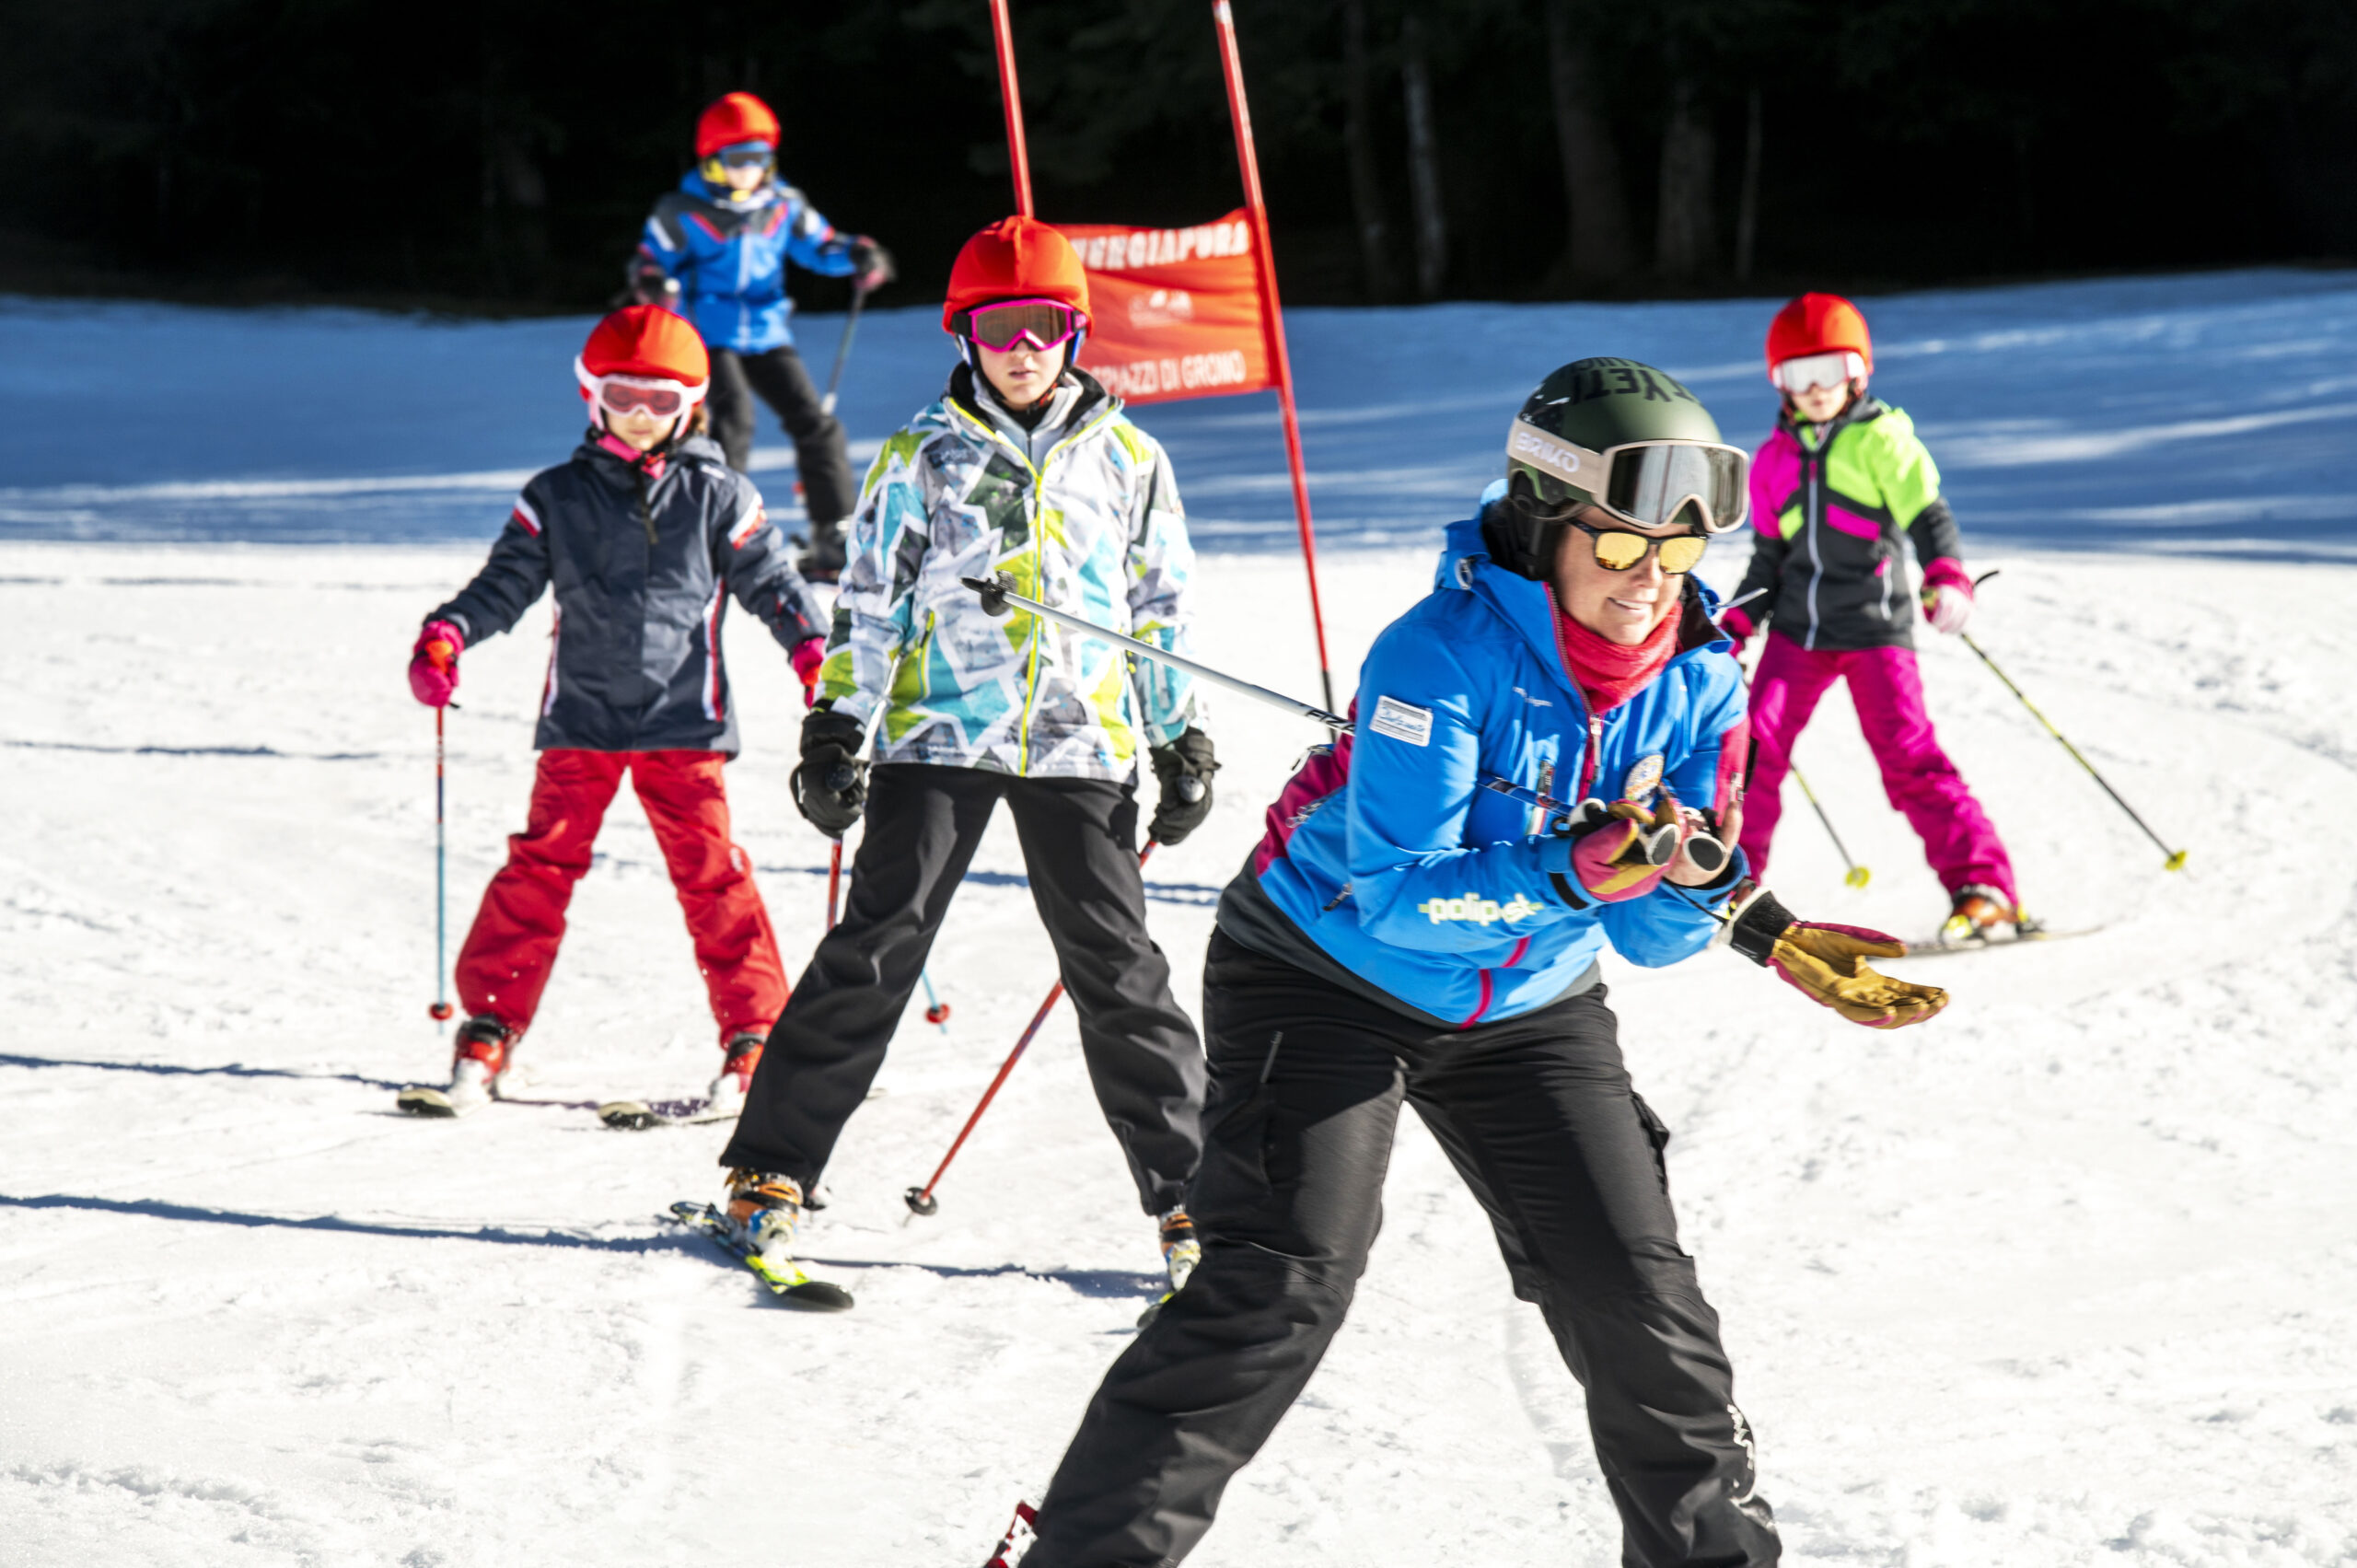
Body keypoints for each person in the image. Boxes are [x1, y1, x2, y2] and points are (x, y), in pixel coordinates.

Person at [996, 359, 1946, 1568]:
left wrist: (1708, 883)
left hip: (1532, 1002)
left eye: (1678, 552)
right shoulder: (1437, 656)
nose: (1648, 583)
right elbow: (1393, 899)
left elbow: (1649, 939)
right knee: (1281, 1281)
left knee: (1639, 1299)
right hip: (1322, 973)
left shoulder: (1705, 679)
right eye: (1617, 547)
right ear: (1549, 521)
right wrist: (1571, 869)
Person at [711, 216, 1218, 1299]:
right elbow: (869, 603)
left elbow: (1157, 613)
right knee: (879, 944)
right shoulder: (920, 457)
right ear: (966, 332)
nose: (1022, 347)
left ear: (1074, 330)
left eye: (1043, 324)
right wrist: (838, 723)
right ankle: (769, 1169)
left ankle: (1195, 1194)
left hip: (1082, 739)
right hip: (937, 732)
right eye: (999, 325)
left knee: (1119, 970)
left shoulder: (1129, 458)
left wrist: (1176, 735)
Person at [403, 305, 830, 1118]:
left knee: (713, 880)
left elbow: (774, 583)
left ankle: (754, 1035)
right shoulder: (555, 496)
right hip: (583, 721)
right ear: (590, 397)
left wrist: (813, 650)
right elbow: (507, 583)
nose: (640, 418)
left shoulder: (719, 495)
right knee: (540, 867)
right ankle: (491, 1021)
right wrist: (449, 632)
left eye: (660, 403)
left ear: (693, 405)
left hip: (684, 723)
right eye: (623, 397)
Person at [1722, 292, 2022, 941]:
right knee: (1752, 751)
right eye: (1795, 376)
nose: (1814, 389)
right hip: (1799, 631)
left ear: (1858, 371)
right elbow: (1767, 560)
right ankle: (1730, 887)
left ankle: (1983, 886)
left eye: (1828, 370)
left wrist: (1946, 575)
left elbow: (1928, 517)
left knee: (1907, 754)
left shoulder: (1884, 439)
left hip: (1873, 626)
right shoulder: (1771, 461)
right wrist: (1738, 623)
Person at [628, 91, 895, 581]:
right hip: (711, 336)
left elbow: (820, 246)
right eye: (738, 159)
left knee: (816, 423)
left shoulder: (782, 205)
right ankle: (719, 530)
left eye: (759, 159)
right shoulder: (683, 211)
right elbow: (651, 259)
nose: (750, 170)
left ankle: (830, 533)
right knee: (733, 425)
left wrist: (857, 255)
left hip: (768, 333)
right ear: (713, 161)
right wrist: (650, 283)